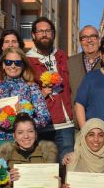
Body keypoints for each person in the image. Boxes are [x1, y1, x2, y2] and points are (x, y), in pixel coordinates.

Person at [0, 47, 50, 147]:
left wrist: (23, 125)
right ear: (3, 65)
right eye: (8, 62)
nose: (13, 66)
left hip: (23, 143)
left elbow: (44, 117)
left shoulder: (31, 88)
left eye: (17, 63)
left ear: (23, 65)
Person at [26, 17, 76, 157]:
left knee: (67, 167)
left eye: (48, 31)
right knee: (47, 169)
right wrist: (39, 93)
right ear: (33, 35)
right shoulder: (27, 61)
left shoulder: (62, 57)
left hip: (66, 124)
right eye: (40, 31)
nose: (44, 34)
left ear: (53, 34)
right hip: (43, 124)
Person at [67, 25, 102, 106]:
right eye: (84, 37)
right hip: (76, 116)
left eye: (93, 36)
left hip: (102, 117)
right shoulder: (70, 62)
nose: (89, 40)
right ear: (80, 42)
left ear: (99, 39)